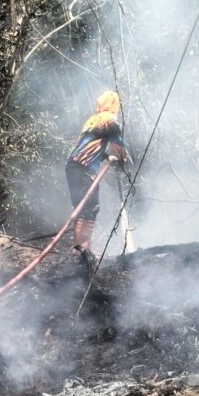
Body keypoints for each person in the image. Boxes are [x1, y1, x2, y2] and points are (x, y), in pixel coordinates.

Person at [65, 90, 134, 265]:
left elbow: (88, 146)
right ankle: (83, 250)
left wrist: (106, 157)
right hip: (84, 168)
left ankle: (77, 250)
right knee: (90, 208)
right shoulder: (110, 121)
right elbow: (118, 146)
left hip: (73, 167)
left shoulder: (93, 120)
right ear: (114, 105)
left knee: (82, 209)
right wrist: (122, 159)